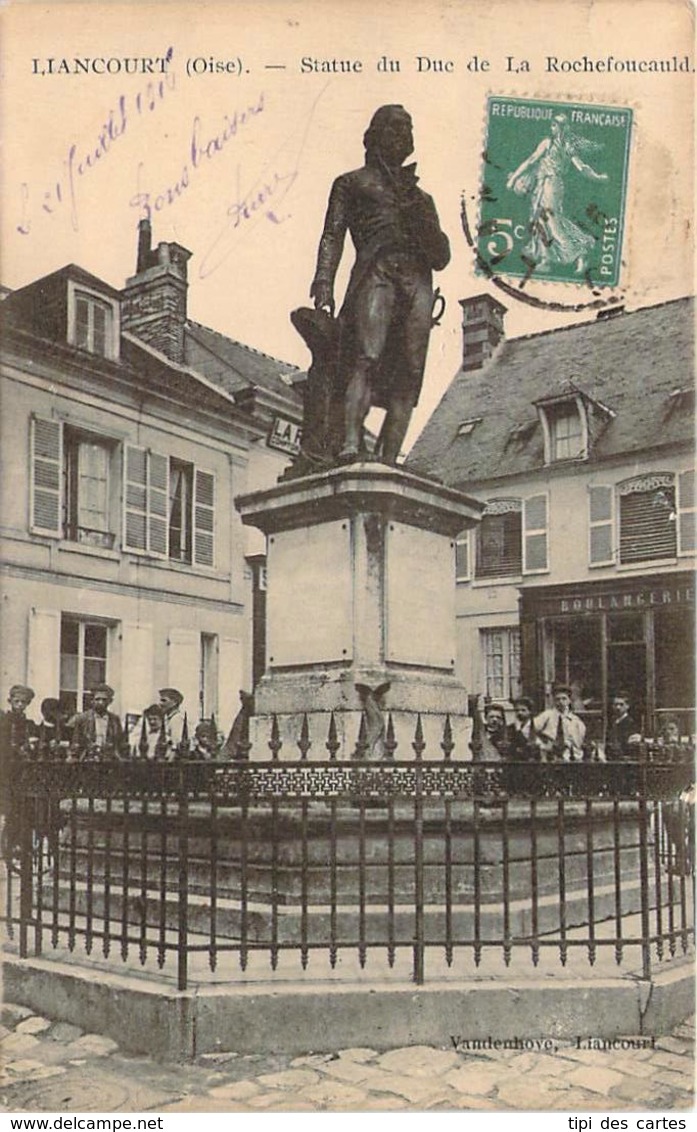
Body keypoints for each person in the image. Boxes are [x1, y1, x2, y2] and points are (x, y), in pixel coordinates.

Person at [310, 104, 451, 464]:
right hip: (378, 269)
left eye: (407, 128)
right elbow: (332, 235)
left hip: (418, 278)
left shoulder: (421, 199)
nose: (402, 134)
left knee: (410, 373)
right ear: (373, 137)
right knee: (366, 356)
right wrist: (324, 282)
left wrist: (422, 221)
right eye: (393, 127)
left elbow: (442, 256)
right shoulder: (352, 183)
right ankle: (351, 444)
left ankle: (389, 459)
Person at [506, 113, 608, 275]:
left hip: (551, 185)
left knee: (552, 221)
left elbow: (532, 160)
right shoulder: (563, 145)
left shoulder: (555, 144)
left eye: (555, 125)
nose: (552, 128)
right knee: (541, 219)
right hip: (545, 184)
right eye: (552, 125)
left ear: (561, 127)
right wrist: (597, 177)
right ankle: (546, 260)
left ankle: (580, 252)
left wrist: (513, 179)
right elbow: (581, 167)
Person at [0, 685, 37, 861]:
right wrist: (17, 750)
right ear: (11, 701)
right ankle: (8, 845)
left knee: (19, 809)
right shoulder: (5, 720)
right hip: (6, 771)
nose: (20, 705)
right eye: (17, 701)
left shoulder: (25, 722)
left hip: (20, 771)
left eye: (23, 702)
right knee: (9, 809)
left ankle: (14, 844)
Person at [70, 684, 125, 760]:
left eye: (104, 699)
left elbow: (120, 742)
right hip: (87, 759)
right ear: (92, 700)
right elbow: (76, 741)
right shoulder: (82, 718)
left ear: (110, 701)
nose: (101, 702)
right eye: (98, 699)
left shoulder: (114, 719)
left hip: (109, 760)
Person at [534, 683, 586, 762]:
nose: (561, 702)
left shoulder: (576, 721)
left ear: (569, 701)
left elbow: (579, 743)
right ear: (553, 701)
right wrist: (542, 745)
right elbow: (529, 731)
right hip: (550, 758)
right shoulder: (546, 716)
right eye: (557, 699)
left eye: (564, 699)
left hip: (570, 758)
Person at [605, 691, 642, 760]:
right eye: (615, 705)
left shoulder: (630, 723)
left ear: (627, 706)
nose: (618, 707)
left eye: (621, 704)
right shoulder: (612, 722)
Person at [158, 687, 185, 756]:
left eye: (164, 701)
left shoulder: (176, 719)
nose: (160, 704)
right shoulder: (167, 718)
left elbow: (176, 745)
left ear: (174, 702)